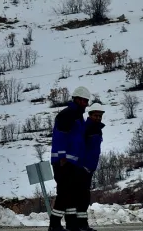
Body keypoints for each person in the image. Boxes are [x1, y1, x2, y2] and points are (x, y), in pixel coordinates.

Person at [49, 86, 90, 231]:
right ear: (77, 100)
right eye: (84, 101)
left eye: (87, 101)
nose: (85, 104)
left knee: (71, 194)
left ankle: (71, 224)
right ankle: (54, 224)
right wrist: (62, 157)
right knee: (64, 193)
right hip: (63, 162)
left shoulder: (78, 117)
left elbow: (78, 140)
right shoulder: (68, 114)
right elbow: (60, 136)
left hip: (73, 162)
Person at [74, 101, 105, 231]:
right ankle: (80, 225)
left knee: (84, 197)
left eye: (100, 116)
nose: (98, 118)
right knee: (82, 197)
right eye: (95, 115)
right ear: (90, 115)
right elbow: (80, 148)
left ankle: (82, 224)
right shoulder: (86, 129)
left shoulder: (96, 129)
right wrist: (83, 166)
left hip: (89, 168)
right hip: (83, 168)